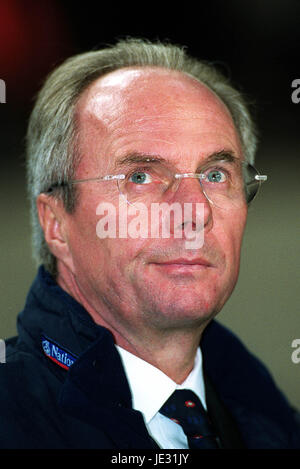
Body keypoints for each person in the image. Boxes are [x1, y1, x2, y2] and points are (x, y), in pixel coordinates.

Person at [0, 38, 299, 449]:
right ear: (56, 224)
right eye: (140, 176)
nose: (195, 212)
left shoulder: (269, 417)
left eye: (215, 174)